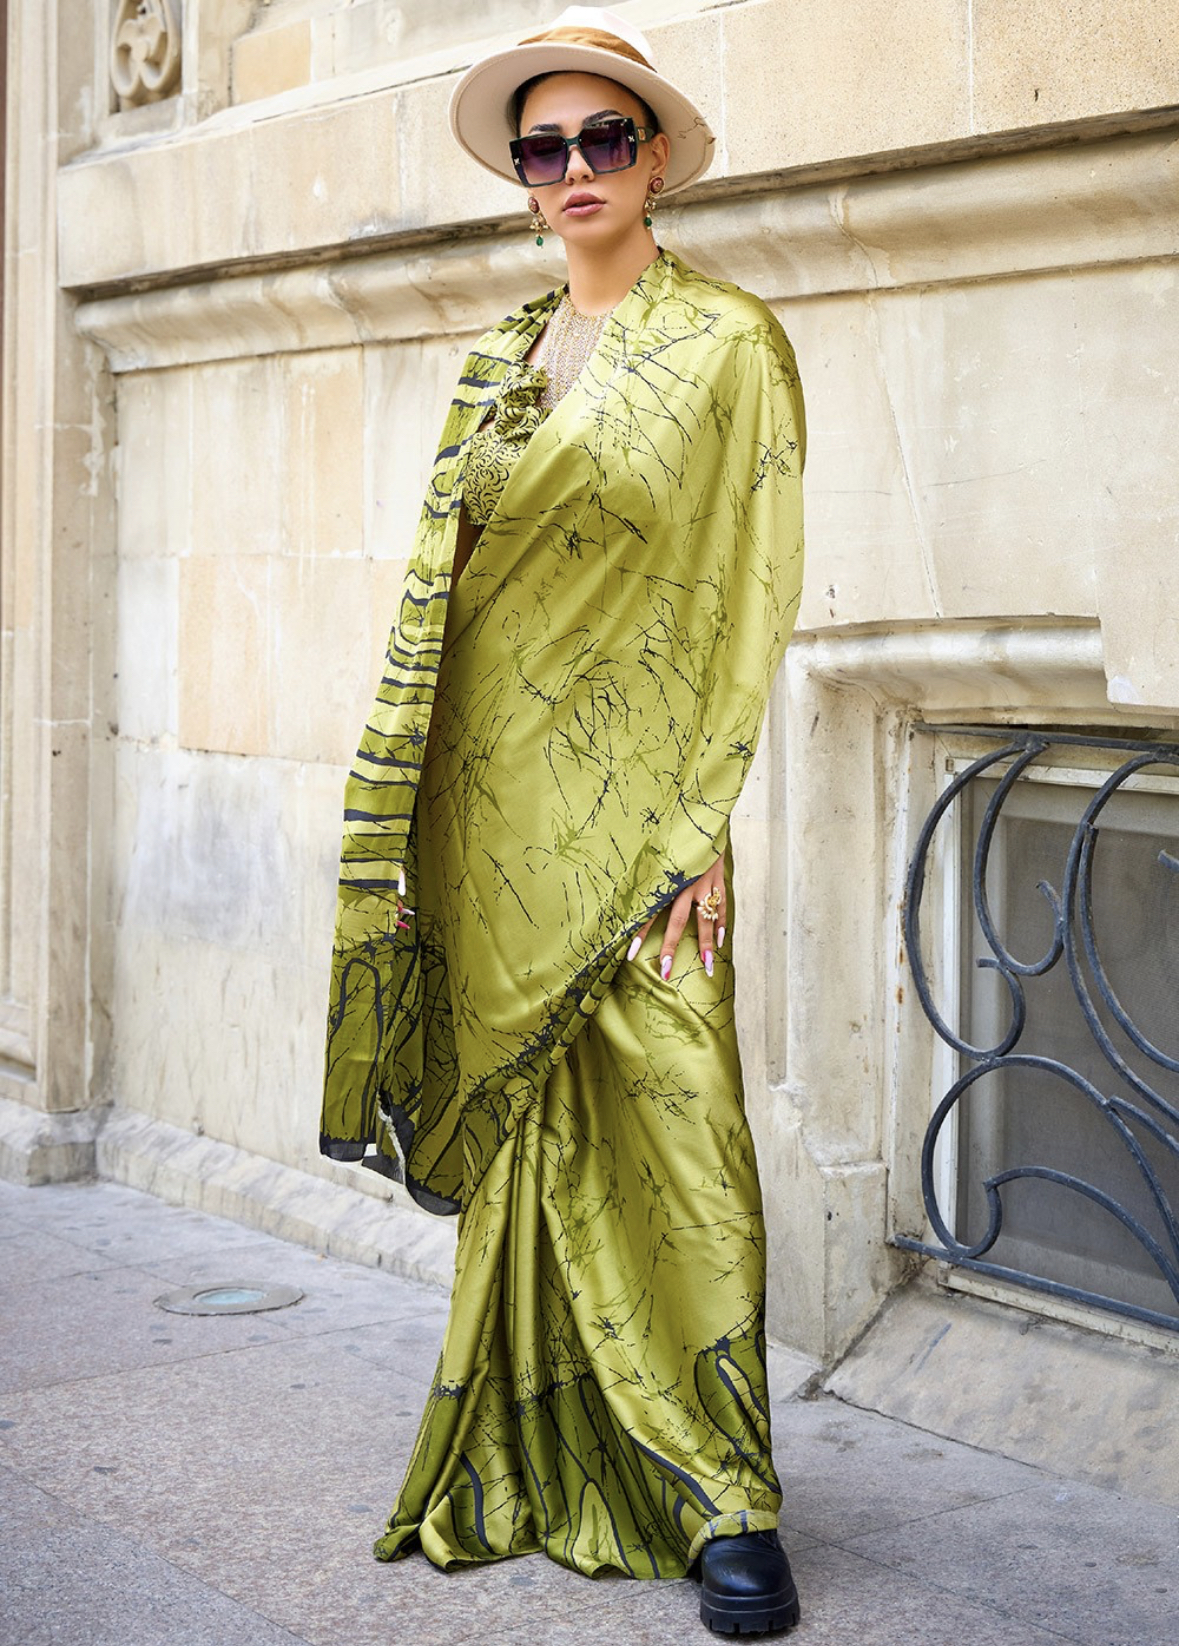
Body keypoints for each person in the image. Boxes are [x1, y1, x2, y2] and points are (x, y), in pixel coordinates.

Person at [318, 7, 806, 1635]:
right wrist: (406, 824)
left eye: (607, 137)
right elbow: (447, 596)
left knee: (683, 1125)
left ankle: (727, 1490)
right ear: (523, 180)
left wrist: (706, 817)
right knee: (532, 1135)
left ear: (655, 159)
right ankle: (543, 1442)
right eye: (547, 146)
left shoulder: (729, 345)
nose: (577, 166)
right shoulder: (496, 361)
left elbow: (748, 591)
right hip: (494, 808)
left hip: (647, 805)